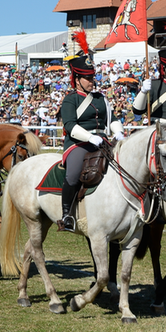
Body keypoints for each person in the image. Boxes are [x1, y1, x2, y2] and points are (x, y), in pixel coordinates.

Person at [57, 45, 125, 232]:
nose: (91, 81)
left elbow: (113, 119)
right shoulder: (71, 99)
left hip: (103, 141)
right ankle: (67, 215)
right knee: (73, 173)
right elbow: (69, 126)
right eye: (87, 78)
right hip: (79, 143)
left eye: (92, 77)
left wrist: (118, 131)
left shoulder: (100, 98)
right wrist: (89, 137)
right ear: (77, 79)